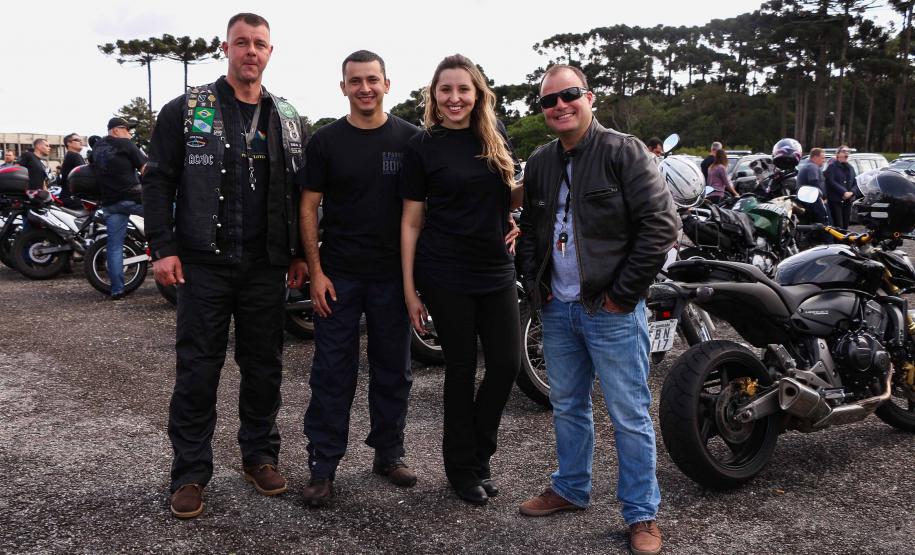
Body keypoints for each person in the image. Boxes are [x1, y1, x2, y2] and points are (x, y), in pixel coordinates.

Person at [143, 12, 307, 520]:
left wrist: (301, 252)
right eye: (242, 43)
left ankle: (259, 455)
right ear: (226, 48)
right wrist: (162, 246)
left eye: (260, 43)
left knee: (264, 368)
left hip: (266, 266)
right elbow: (157, 180)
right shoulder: (187, 110)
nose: (251, 51)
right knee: (197, 371)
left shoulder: (288, 115)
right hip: (203, 264)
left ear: (270, 52)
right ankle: (190, 472)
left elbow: (301, 191)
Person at [516, 64, 678, 555]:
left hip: (611, 310)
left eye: (569, 95)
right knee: (567, 405)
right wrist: (535, 281)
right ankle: (570, 488)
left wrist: (622, 295)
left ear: (590, 98)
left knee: (629, 414)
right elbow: (530, 230)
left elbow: (660, 226)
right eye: (549, 100)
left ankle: (641, 513)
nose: (559, 105)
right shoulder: (542, 161)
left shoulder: (622, 150)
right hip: (558, 310)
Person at [400, 54, 523, 506]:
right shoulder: (422, 145)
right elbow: (411, 221)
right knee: (462, 368)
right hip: (444, 270)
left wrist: (514, 217)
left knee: (507, 364)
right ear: (434, 95)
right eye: (445, 90)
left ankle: (479, 457)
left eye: (463, 90)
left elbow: (502, 194)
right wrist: (409, 287)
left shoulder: (495, 134)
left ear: (478, 94)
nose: (454, 98)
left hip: (495, 266)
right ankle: (461, 469)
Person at [298, 50, 419, 507]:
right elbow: (308, 208)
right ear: (343, 86)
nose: (364, 88)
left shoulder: (412, 140)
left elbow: (426, 208)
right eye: (355, 81)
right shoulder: (326, 142)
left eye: (372, 79)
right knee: (332, 373)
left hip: (392, 277)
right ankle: (322, 467)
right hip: (340, 277)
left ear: (388, 83)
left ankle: (389, 453)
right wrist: (317, 272)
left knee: (394, 371)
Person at [93, 118, 147, 299]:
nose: (130, 134)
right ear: (116, 130)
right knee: (171, 212)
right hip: (132, 198)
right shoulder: (125, 144)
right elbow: (147, 168)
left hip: (110, 203)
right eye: (127, 130)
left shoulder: (97, 148)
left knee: (115, 247)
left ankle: (117, 289)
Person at [824, 145, 856, 229]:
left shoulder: (851, 168)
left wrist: (851, 192)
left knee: (845, 225)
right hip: (835, 201)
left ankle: (844, 242)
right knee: (838, 225)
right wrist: (843, 192)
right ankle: (837, 242)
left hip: (847, 201)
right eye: (844, 151)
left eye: (848, 151)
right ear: (837, 154)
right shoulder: (832, 167)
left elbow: (855, 183)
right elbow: (831, 182)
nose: (846, 153)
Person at [796, 147, 830, 225]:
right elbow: (814, 183)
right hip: (813, 200)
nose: (824, 160)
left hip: (807, 200)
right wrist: (823, 197)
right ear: (815, 157)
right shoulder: (812, 167)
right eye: (822, 158)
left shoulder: (808, 166)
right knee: (824, 224)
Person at [58, 133, 86, 209]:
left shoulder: (70, 155)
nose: (81, 142)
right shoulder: (74, 156)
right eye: (77, 140)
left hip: (68, 196)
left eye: (81, 140)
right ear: (69, 143)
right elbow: (85, 176)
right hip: (73, 198)